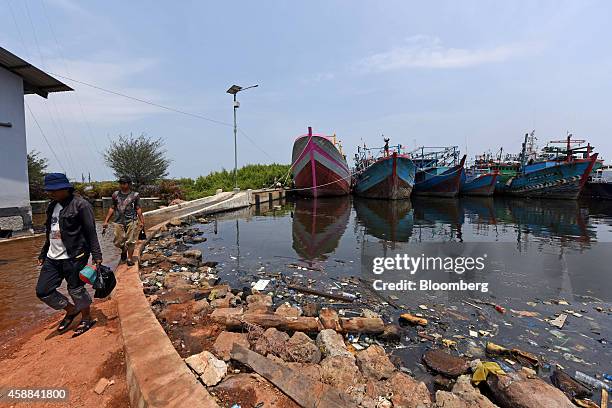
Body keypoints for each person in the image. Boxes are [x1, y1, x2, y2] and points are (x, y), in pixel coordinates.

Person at [36, 173, 102, 336]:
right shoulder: (52, 206)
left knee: (76, 289)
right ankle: (71, 310)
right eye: (48, 190)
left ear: (65, 188)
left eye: (54, 190)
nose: (50, 193)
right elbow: (50, 231)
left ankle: (86, 317)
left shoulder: (81, 205)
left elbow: (91, 232)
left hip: (75, 256)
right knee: (43, 291)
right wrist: (44, 252)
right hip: (53, 257)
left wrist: (97, 256)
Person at [102, 176, 144, 266]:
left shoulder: (135, 195)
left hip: (131, 220)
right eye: (120, 183)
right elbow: (112, 208)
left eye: (124, 183)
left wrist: (141, 221)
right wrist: (106, 221)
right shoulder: (115, 195)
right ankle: (124, 249)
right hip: (118, 221)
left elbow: (138, 208)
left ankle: (129, 258)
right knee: (117, 242)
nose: (122, 185)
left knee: (131, 241)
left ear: (129, 184)